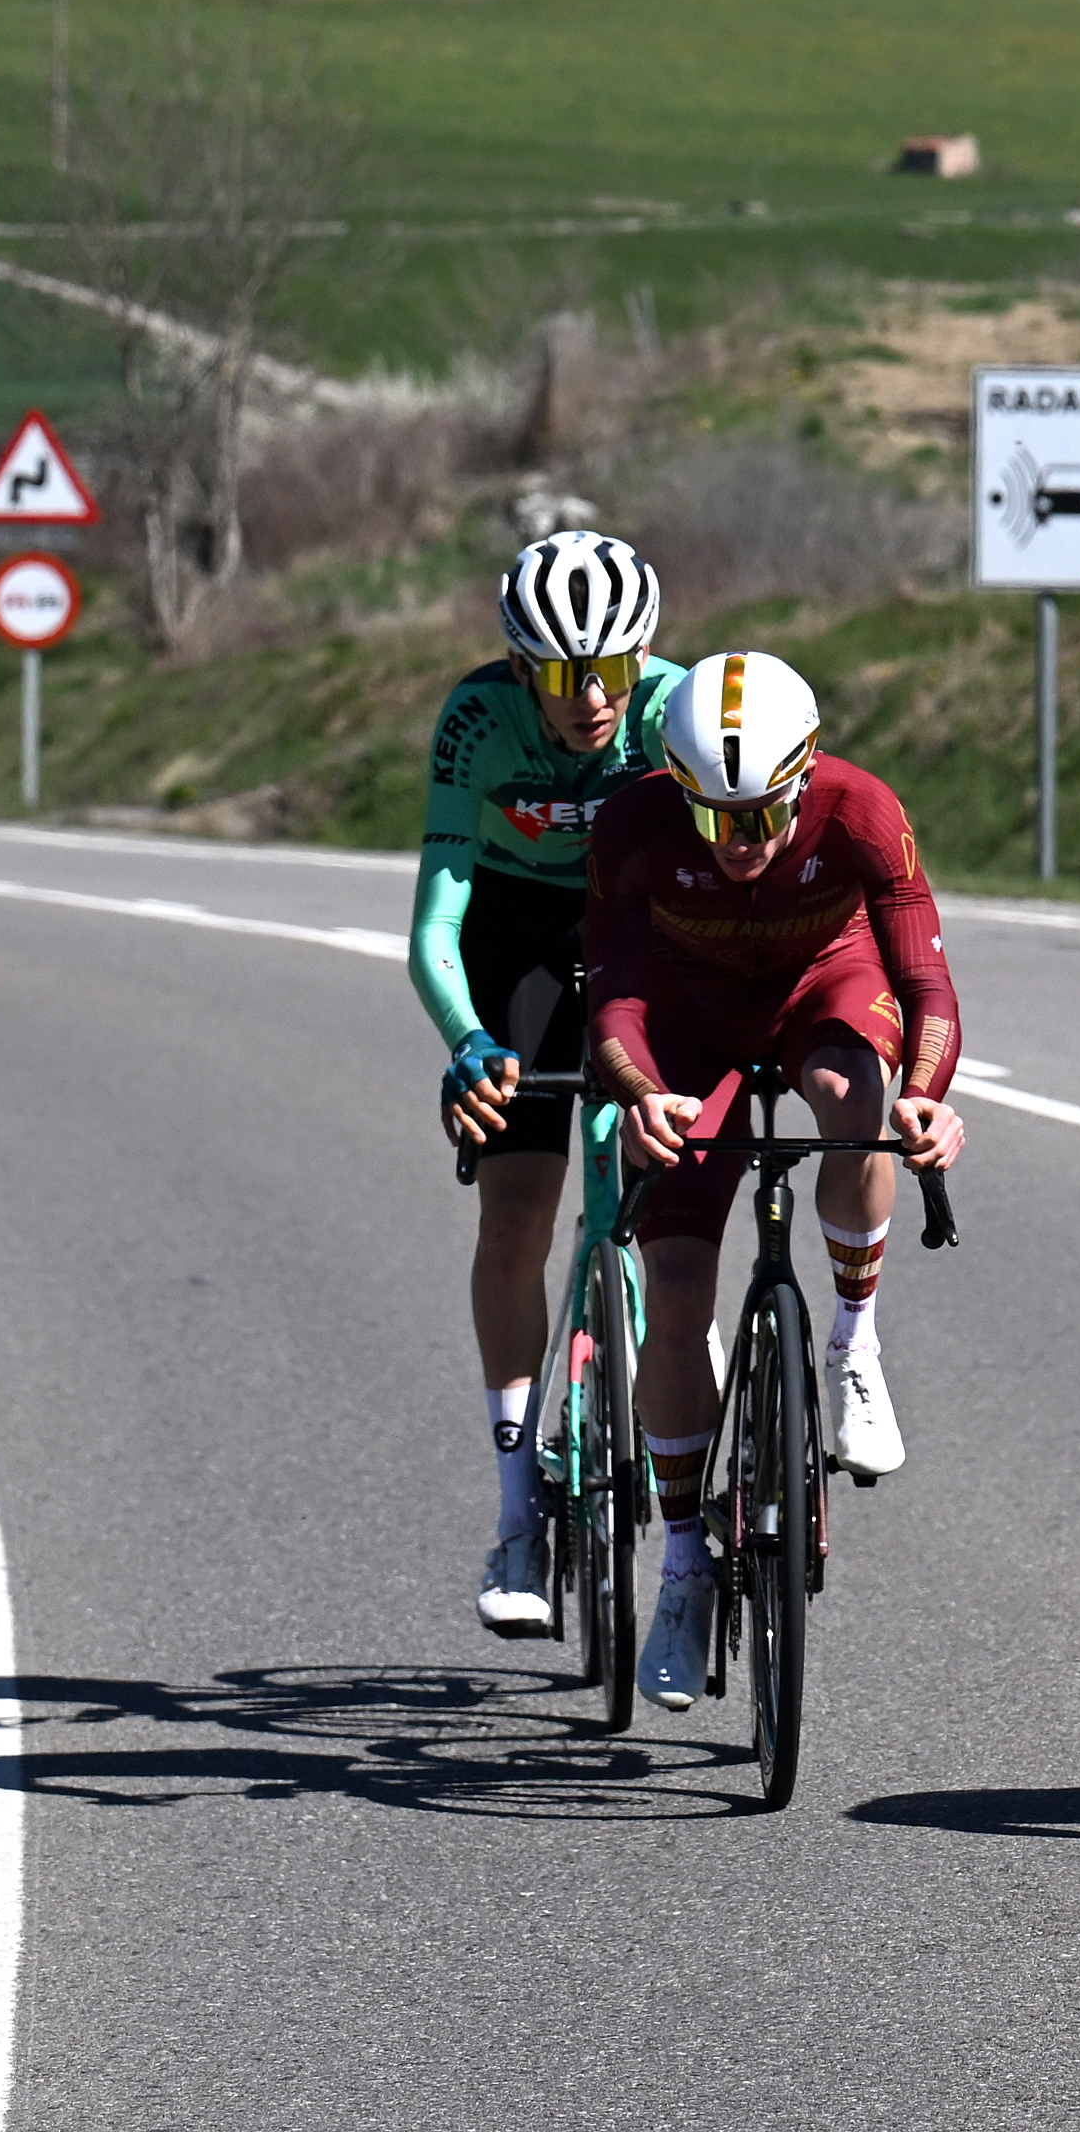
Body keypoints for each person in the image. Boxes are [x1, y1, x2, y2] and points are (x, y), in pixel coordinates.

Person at [577, 645, 961, 1709]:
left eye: (757, 818)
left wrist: (925, 1098)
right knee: (679, 1285)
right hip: (689, 1018)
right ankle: (688, 1564)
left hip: (820, 989)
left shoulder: (861, 812)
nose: (737, 844)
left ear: (804, 776)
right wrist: (639, 1091)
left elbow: (925, 982)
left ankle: (853, 1343)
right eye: (711, 818)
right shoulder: (634, 825)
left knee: (856, 1100)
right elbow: (611, 993)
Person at [416, 528, 690, 1633]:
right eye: (569, 677)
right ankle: (518, 1507)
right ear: (525, 670)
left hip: (644, 927)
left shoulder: (672, 708)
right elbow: (438, 916)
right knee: (518, 1214)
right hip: (520, 933)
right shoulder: (478, 720)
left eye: (614, 672)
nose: (595, 699)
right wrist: (466, 1038)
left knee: (677, 1187)